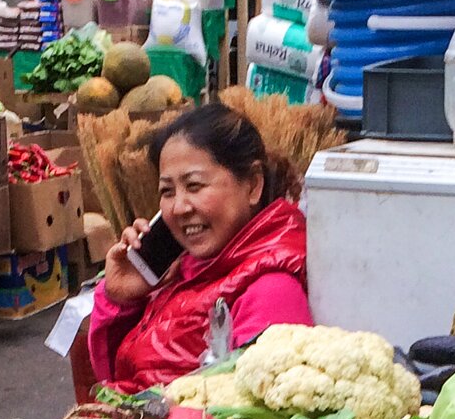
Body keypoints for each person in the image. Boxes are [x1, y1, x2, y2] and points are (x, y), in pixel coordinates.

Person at [88, 103, 312, 391]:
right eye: (167, 191)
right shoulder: (186, 269)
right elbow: (117, 379)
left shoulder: (271, 293)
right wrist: (120, 301)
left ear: (253, 185)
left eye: (194, 186)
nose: (179, 207)